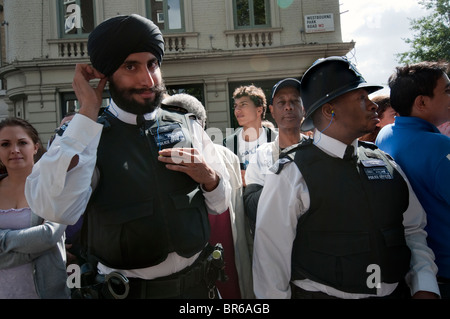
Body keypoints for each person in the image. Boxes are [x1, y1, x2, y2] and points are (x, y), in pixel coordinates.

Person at [25, 14, 231, 299]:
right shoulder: (87, 136)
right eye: (130, 66)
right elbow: (55, 208)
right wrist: (86, 113)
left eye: (152, 64)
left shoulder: (187, 124)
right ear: (107, 74)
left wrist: (209, 178)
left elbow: (220, 204)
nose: (147, 79)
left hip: (199, 291)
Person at [252, 56, 440, 299]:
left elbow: (413, 229)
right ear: (330, 110)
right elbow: (270, 262)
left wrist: (424, 284)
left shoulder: (385, 161)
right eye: (361, 98)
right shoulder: (291, 173)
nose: (373, 106)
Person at [161, 93, 254, 299]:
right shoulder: (160, 161)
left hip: (228, 263)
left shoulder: (227, 157)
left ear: (200, 125)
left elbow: (238, 214)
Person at [375, 61, 450, 298]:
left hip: (413, 271)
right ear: (422, 102)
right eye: (447, 91)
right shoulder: (440, 148)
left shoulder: (385, 135)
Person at [0, 117, 70, 299]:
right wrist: (35, 243)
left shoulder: (54, 187)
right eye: (5, 144)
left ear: (36, 147)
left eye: (22, 143)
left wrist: (2, 241)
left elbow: (48, 236)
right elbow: (43, 242)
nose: (14, 150)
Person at [244, 78, 307, 236]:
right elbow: (251, 207)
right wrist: (281, 179)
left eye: (294, 101)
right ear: (272, 110)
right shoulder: (260, 156)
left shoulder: (320, 151)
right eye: (281, 102)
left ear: (304, 108)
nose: (288, 107)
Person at [223, 84, 277, 186]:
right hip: (243, 200)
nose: (237, 110)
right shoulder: (228, 143)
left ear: (259, 110)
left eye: (243, 104)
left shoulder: (277, 139)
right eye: (235, 106)